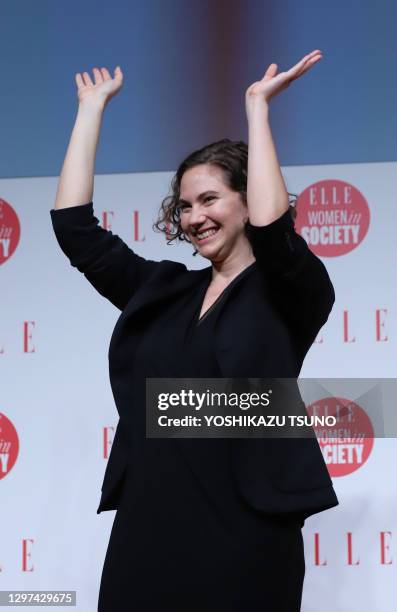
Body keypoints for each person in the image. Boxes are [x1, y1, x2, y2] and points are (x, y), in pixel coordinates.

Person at [50, 50, 339, 611]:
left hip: (246, 530)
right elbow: (76, 232)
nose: (194, 216)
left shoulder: (290, 292)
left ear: (244, 200)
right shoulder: (163, 290)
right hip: (149, 526)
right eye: (183, 206)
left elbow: (275, 232)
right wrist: (89, 112)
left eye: (210, 199)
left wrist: (256, 109)